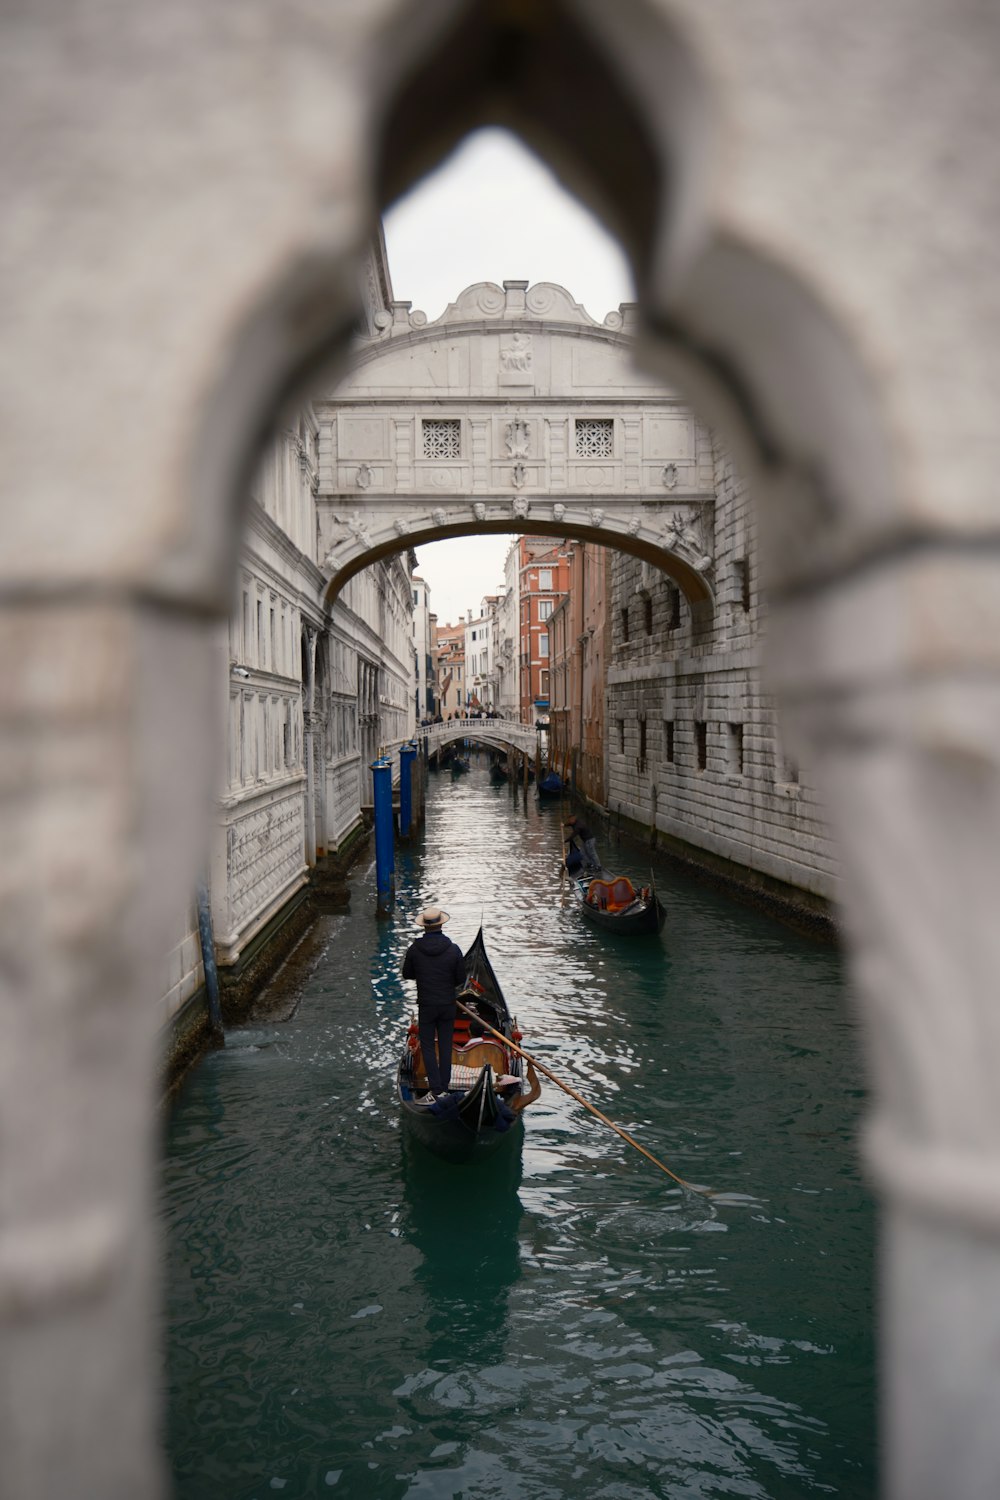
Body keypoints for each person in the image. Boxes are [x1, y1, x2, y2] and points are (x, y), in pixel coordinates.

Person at [401, 907, 466, 1098]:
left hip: (427, 1005)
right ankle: (444, 1087)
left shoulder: (414, 949)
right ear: (441, 924)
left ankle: (435, 1088)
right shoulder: (453, 949)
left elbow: (407, 974)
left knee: (428, 1045)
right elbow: (460, 979)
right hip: (447, 1004)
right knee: (446, 1045)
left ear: (424, 927)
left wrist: (422, 973)